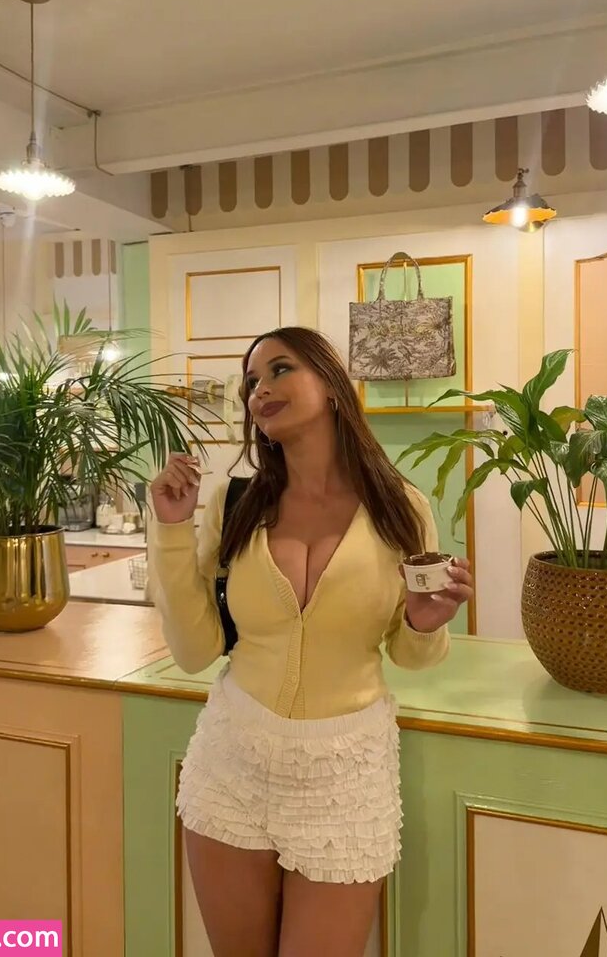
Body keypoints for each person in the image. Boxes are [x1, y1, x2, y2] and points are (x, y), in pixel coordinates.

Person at [149, 326, 473, 957]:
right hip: (232, 760)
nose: (260, 390)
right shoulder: (235, 503)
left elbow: (412, 656)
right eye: (251, 382)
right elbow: (194, 651)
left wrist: (423, 622)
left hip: (344, 770)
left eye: (280, 370)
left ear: (330, 384)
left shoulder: (400, 508)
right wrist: (170, 530)